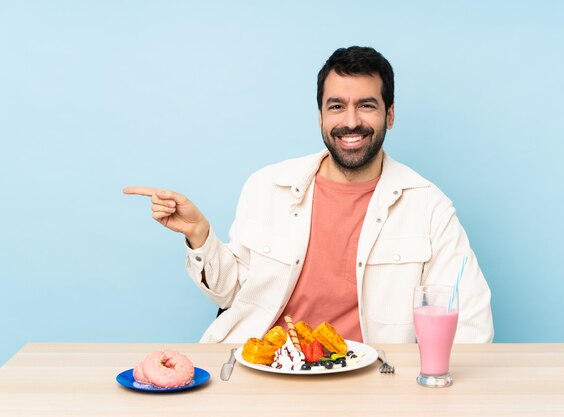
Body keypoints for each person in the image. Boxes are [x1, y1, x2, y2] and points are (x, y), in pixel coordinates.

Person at [124, 46, 494, 344]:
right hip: (266, 373)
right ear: (320, 116)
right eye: (337, 106)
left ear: (390, 115)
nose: (351, 121)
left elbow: (471, 328)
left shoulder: (429, 207)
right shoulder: (266, 186)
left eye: (366, 105)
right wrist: (200, 235)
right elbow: (230, 294)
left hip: (371, 384)